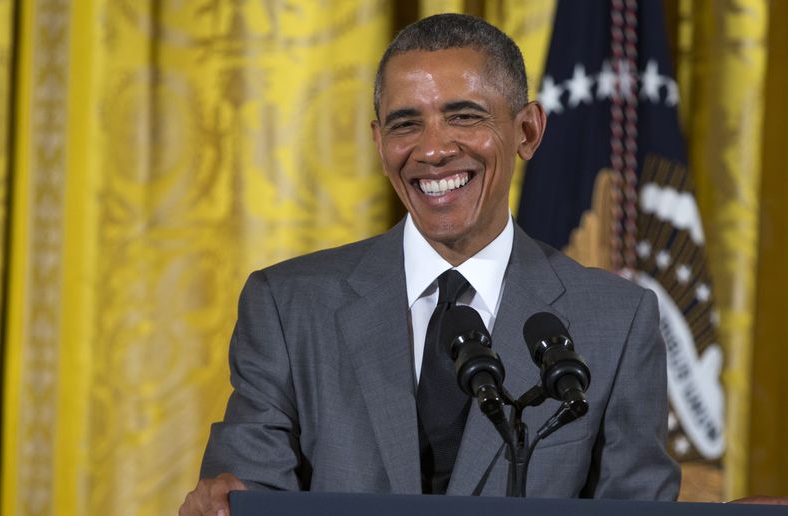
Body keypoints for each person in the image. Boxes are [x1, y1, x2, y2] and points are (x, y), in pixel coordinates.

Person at [180, 13, 680, 516]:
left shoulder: (617, 321)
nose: (434, 149)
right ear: (380, 144)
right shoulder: (289, 308)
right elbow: (248, 498)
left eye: (464, 116)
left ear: (527, 130)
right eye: (406, 123)